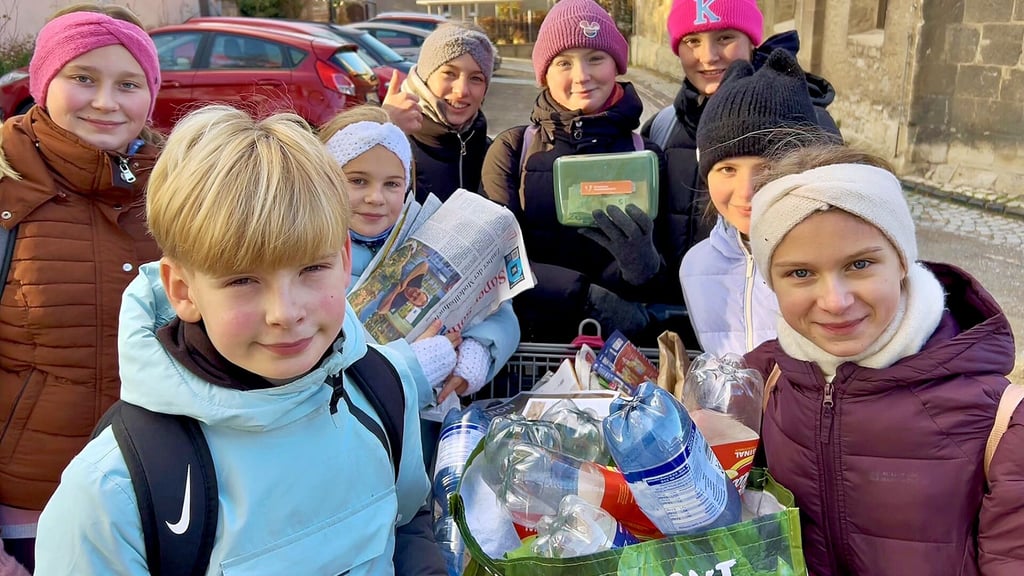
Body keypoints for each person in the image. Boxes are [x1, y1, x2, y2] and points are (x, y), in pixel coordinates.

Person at [33, 105, 445, 575]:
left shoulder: (382, 388)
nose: (286, 313)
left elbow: (406, 519)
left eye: (312, 268)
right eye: (243, 280)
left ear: (345, 259)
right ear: (183, 290)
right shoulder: (115, 489)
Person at [743, 144, 1024, 574]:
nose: (835, 301)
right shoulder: (762, 384)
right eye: (800, 273)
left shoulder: (999, 422)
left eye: (859, 264)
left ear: (902, 262)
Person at [0, 7, 162, 571]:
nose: (106, 102)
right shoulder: (7, 189)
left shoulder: (173, 190)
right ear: (44, 83)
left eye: (128, 84)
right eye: (83, 78)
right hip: (29, 507)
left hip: (155, 496)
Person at [481, 0, 679, 344]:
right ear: (545, 74)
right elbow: (493, 264)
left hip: (620, 350)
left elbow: (662, 279)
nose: (582, 76)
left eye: (595, 58)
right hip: (530, 345)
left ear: (616, 65)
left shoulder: (645, 154)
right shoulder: (513, 150)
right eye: (564, 62)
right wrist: (583, 294)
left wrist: (642, 267)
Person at [321, 105, 519, 408]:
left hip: (429, 429)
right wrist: (413, 366)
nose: (376, 197)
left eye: (392, 184)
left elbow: (496, 306)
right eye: (358, 181)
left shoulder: (423, 231)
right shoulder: (310, 259)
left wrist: (480, 348)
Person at [642, 0, 838, 268]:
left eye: (725, 37)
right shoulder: (663, 127)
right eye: (692, 41)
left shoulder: (806, 125)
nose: (709, 56)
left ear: (752, 41)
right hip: (686, 300)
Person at [680, 48, 838, 356]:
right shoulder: (697, 267)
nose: (746, 191)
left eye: (767, 169)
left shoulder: (836, 257)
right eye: (727, 169)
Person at [383, 22, 496, 202]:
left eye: (476, 78)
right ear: (424, 78)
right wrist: (383, 132)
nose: (462, 90)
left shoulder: (493, 153)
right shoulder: (389, 135)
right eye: (449, 73)